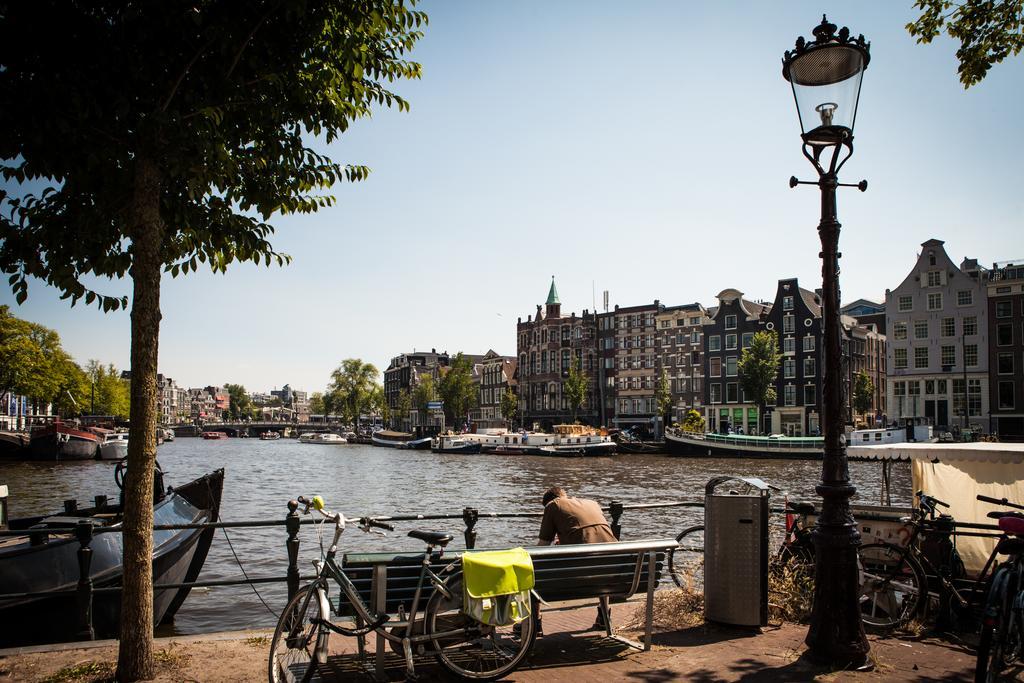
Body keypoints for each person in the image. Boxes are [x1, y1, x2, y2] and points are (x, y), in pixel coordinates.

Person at [537, 486, 617, 631]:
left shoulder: (553, 505)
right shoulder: (592, 503)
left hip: (579, 578)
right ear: (564, 495)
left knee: (533, 569)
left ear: (548, 502)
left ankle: (534, 622)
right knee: (601, 561)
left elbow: (542, 546)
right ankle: (604, 617)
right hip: (614, 570)